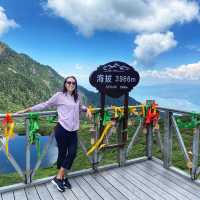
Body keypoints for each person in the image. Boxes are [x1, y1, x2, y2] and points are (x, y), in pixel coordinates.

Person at [17, 76, 92, 192]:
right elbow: (45, 104)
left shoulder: (77, 97)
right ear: (65, 84)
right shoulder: (59, 96)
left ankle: (59, 177)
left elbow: (80, 107)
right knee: (62, 154)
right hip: (62, 129)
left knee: (72, 153)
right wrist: (27, 110)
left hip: (73, 130)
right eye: (69, 82)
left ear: (75, 85)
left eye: (73, 83)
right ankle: (62, 178)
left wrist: (87, 109)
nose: (71, 84)